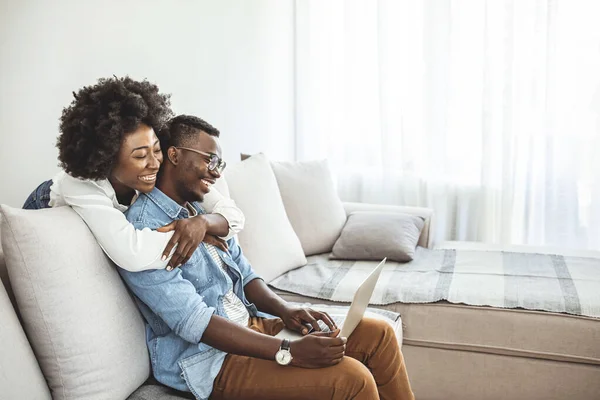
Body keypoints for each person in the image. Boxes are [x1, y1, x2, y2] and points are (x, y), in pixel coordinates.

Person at [118, 115, 415, 400]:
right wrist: (288, 349)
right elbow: (195, 321)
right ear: (174, 155)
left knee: (378, 335)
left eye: (219, 163)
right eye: (211, 160)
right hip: (211, 361)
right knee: (352, 378)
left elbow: (246, 275)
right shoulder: (146, 229)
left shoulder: (201, 214)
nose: (217, 172)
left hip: (253, 325)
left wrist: (286, 311)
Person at [22, 76, 244, 271]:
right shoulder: (79, 185)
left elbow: (233, 215)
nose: (154, 163)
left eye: (156, 150)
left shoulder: (159, 165)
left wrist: (202, 223)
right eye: (139, 156)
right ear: (107, 159)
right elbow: (132, 253)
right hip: (43, 206)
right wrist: (194, 236)